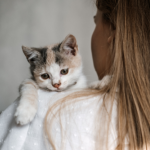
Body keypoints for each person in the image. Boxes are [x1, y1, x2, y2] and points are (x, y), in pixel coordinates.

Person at [0, 0, 150, 150]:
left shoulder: (44, 108)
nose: (56, 84)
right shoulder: (138, 112)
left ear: (111, 31)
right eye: (46, 76)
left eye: (95, 22)